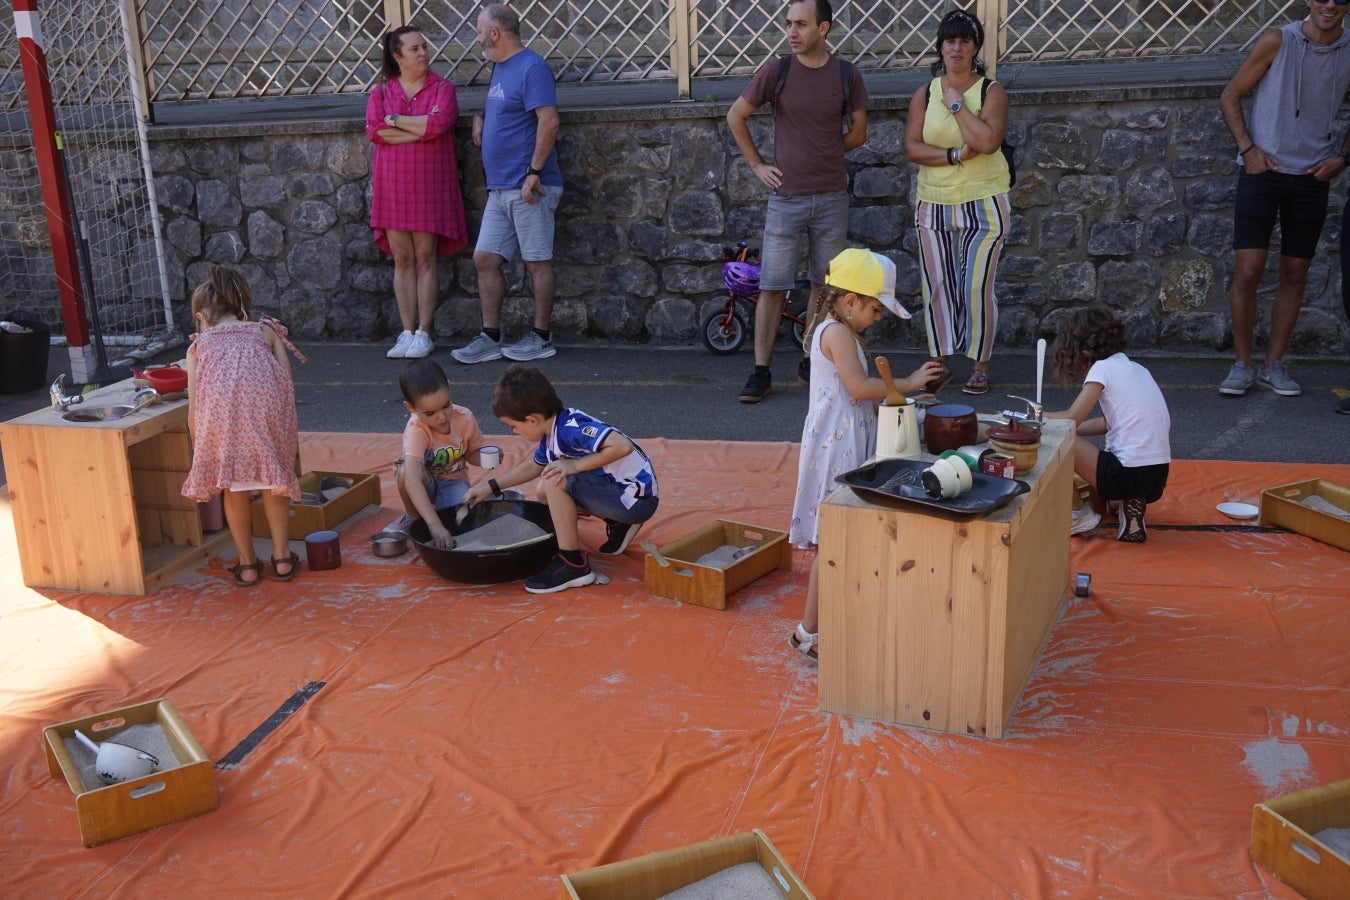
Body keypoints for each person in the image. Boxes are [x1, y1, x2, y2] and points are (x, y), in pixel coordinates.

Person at [787, 249, 943, 659]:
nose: (879, 317)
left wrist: (902, 398)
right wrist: (906, 383)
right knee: (833, 539)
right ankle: (809, 631)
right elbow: (858, 388)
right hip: (837, 444)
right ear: (851, 301)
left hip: (845, 437)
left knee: (843, 535)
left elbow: (862, 392)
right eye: (876, 308)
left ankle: (826, 621)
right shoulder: (836, 333)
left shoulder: (843, 330)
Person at [725, 0, 869, 402]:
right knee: (772, 286)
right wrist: (757, 165)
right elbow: (735, 115)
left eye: (800, 24)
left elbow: (858, 134)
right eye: (788, 23)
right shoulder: (777, 69)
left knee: (823, 287)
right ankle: (760, 372)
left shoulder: (846, 74)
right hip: (786, 198)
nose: (791, 31)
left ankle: (812, 362)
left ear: (823, 28)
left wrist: (821, 148)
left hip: (830, 197)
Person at [1218, 1, 1350, 398]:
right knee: (1248, 271)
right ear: (1309, 0)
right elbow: (1230, 94)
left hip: (1312, 177)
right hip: (1263, 173)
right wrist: (1247, 149)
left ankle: (1274, 366)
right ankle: (1242, 365)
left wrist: (1342, 158)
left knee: (1295, 274)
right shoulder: (1278, 40)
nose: (1330, 5)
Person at [463, 364, 659, 593]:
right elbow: (534, 466)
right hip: (625, 493)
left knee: (554, 480)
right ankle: (618, 523)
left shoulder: (568, 429)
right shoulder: (554, 430)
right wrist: (490, 486)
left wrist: (574, 465)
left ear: (532, 420)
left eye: (513, 426)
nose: (515, 432)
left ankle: (573, 563)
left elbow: (622, 446)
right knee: (544, 489)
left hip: (636, 500)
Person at [902, 7, 1011, 396]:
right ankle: (941, 362)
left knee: (975, 285)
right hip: (933, 203)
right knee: (938, 286)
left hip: (984, 202)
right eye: (950, 40)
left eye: (965, 40)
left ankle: (980, 364)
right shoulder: (923, 92)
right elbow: (912, 147)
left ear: (976, 46)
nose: (957, 48)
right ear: (940, 47)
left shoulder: (991, 91)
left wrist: (955, 104)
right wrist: (951, 156)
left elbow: (986, 142)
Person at [180, 265, 307, 586]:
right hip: (266, 419)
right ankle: (281, 559)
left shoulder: (199, 346)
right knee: (272, 485)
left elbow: (195, 404)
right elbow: (286, 383)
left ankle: (248, 564)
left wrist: (201, 445)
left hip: (223, 427)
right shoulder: (266, 331)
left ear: (202, 316)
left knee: (233, 491)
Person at [453, 4, 563, 365]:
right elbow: (506, 106)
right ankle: (490, 336)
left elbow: (548, 122)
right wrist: (480, 118)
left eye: (479, 29)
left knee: (537, 262)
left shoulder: (532, 67)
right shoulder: (501, 67)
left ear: (495, 33)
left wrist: (534, 171)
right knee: (485, 258)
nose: (477, 35)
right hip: (500, 189)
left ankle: (541, 337)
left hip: (530, 186)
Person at [366, 25, 468, 360]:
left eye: (424, 47)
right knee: (402, 259)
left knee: (425, 257)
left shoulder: (442, 88)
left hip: (429, 183)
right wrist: (419, 128)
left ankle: (424, 332)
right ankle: (406, 332)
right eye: (414, 49)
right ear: (397, 57)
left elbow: (439, 125)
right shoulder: (380, 90)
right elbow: (375, 131)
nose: (423, 53)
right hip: (393, 185)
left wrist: (395, 120)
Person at [1045, 308, 1172, 544]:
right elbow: (1107, 423)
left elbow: (1071, 418)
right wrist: (1071, 427)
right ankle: (1125, 502)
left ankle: (1078, 514)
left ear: (1082, 351)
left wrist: (1038, 420)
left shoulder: (1101, 369)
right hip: (1157, 477)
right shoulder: (1138, 369)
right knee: (1068, 434)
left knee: (1053, 439)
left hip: (1127, 473)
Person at [392, 358, 489, 549]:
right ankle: (413, 517)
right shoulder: (416, 430)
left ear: (450, 389)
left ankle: (433, 512)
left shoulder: (465, 417)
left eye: (446, 405)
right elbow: (412, 479)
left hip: (454, 480)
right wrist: (434, 524)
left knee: (461, 523)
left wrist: (486, 458)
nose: (442, 417)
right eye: (430, 413)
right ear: (411, 408)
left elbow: (470, 454)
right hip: (424, 483)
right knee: (405, 473)